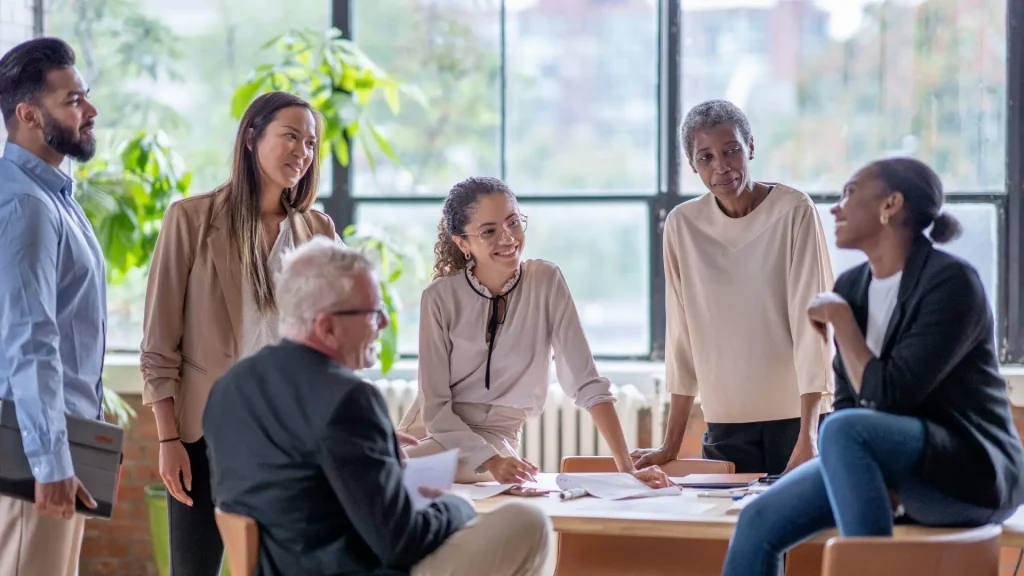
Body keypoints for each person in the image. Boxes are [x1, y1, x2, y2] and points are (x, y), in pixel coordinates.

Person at [722, 157, 1024, 575]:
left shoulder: (951, 283)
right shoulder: (851, 288)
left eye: (850, 193)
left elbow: (892, 394)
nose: (835, 208)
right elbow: (848, 400)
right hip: (877, 457)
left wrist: (842, 323)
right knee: (757, 521)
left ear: (891, 205)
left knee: (845, 429)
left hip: (969, 473)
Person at [203, 237, 552, 576]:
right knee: (528, 522)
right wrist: (456, 505)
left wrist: (375, 452)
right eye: (371, 313)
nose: (383, 324)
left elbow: (294, 485)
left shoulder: (229, 388)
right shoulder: (347, 399)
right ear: (327, 327)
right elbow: (401, 541)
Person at [140, 91, 339, 575]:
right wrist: (168, 441)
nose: (302, 152)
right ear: (252, 137)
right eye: (290, 136)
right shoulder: (190, 220)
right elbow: (158, 345)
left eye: (310, 143)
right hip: (204, 439)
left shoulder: (318, 230)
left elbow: (334, 345)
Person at [397, 176, 670, 487]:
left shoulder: (546, 281)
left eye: (513, 222)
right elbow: (435, 411)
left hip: (498, 436)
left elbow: (587, 382)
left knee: (385, 475)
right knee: (378, 475)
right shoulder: (438, 297)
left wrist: (627, 469)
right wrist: (490, 460)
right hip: (433, 431)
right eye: (489, 231)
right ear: (463, 243)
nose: (508, 238)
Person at [632, 100, 834, 476]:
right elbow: (681, 338)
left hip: (797, 418)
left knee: (801, 529)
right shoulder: (682, 225)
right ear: (693, 165)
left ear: (751, 147)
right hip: (726, 420)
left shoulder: (794, 210)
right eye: (705, 157)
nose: (721, 166)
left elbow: (815, 329)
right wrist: (670, 445)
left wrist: (810, 435)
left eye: (731, 151)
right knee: (726, 529)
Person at [0, 37, 105, 576]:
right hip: (33, 458)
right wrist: (50, 463)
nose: (89, 111)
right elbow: (29, 338)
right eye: (72, 101)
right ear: (27, 115)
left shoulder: (54, 197)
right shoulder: (24, 204)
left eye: (84, 97)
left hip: (61, 448)